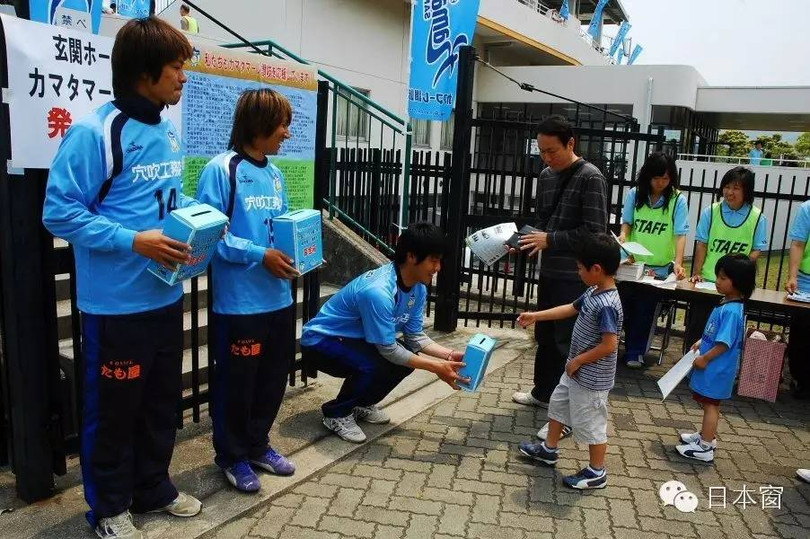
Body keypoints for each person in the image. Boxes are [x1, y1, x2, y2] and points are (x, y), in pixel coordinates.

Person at [42, 17, 201, 539]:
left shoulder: (168, 129)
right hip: (114, 308)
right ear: (144, 72)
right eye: (176, 67)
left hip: (164, 294)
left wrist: (195, 234)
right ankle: (109, 508)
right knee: (113, 412)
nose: (183, 77)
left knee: (159, 403)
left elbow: (163, 204)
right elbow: (58, 213)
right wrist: (133, 240)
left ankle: (153, 487)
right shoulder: (94, 132)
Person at [196, 89, 298, 493]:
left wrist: (298, 253)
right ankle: (232, 456)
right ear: (257, 124)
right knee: (237, 383)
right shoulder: (222, 169)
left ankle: (258, 445)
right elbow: (211, 235)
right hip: (240, 305)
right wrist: (260, 255)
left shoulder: (274, 174)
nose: (287, 134)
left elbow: (282, 228)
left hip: (278, 299)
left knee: (272, 379)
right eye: (281, 124)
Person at [301, 223, 469, 443]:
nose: (438, 267)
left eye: (440, 261)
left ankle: (360, 403)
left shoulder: (418, 288)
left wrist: (449, 355)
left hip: (354, 341)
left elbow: (414, 336)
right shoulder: (378, 292)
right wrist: (436, 367)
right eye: (433, 260)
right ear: (411, 256)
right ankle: (336, 413)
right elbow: (388, 350)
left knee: (404, 359)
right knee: (375, 363)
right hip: (320, 341)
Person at [513, 115, 608, 441]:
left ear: (571, 143)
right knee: (547, 338)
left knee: (570, 344)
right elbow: (544, 223)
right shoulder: (545, 176)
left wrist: (550, 240)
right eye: (541, 151)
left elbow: (594, 231)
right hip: (550, 271)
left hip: (576, 276)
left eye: (552, 151)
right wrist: (524, 241)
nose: (546, 158)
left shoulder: (590, 177)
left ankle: (566, 416)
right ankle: (543, 393)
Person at [516, 233, 623, 490]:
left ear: (596, 269)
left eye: (580, 268)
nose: (578, 272)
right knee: (559, 405)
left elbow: (610, 345)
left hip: (591, 378)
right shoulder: (593, 290)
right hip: (575, 370)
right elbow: (570, 308)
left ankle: (597, 472)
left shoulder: (607, 303)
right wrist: (536, 316)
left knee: (593, 424)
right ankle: (548, 449)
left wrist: (579, 361)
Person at [676, 254, 755, 463]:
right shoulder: (727, 304)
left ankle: (705, 446)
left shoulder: (731, 311)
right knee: (708, 403)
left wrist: (705, 358)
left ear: (738, 283)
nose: (717, 282)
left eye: (723, 278)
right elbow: (717, 333)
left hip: (717, 368)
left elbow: (724, 343)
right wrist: (702, 341)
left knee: (711, 405)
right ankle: (705, 435)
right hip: (713, 366)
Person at [684, 166, 767, 353]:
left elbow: (756, 251)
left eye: (736, 188)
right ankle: (689, 364)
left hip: (736, 289)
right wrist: (697, 273)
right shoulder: (711, 211)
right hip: (708, 282)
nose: (729, 192)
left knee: (725, 334)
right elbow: (702, 245)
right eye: (727, 187)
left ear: (746, 191)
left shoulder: (757, 217)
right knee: (698, 326)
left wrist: (739, 275)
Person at [617, 152, 689, 368]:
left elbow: (680, 233)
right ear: (647, 176)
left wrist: (678, 261)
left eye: (666, 178)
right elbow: (626, 225)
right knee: (622, 303)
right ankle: (619, 346)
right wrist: (623, 245)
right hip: (633, 263)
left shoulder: (678, 200)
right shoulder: (635, 194)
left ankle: (635, 351)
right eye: (657, 178)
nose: (660, 183)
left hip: (658, 268)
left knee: (645, 306)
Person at [786, 199, 810, 400]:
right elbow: (798, 243)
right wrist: (793, 276)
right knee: (802, 332)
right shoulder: (807, 208)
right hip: (806, 280)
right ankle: (800, 379)